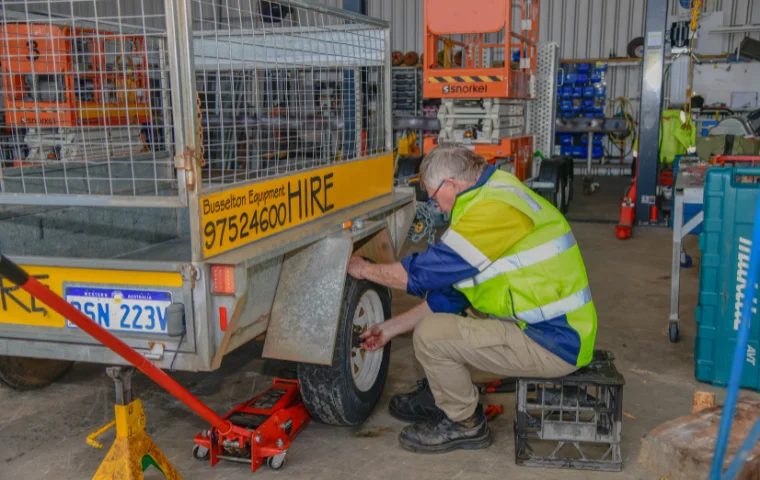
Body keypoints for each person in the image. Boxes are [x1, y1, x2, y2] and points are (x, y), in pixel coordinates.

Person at [347, 144, 597, 454]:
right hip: (551, 328)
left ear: (451, 184)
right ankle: (442, 392)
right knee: (449, 317)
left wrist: (363, 269)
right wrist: (389, 328)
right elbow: (449, 296)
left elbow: (419, 275)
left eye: (434, 195)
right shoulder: (497, 190)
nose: (435, 206)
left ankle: (464, 423)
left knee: (430, 336)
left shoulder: (492, 212)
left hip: (553, 342)